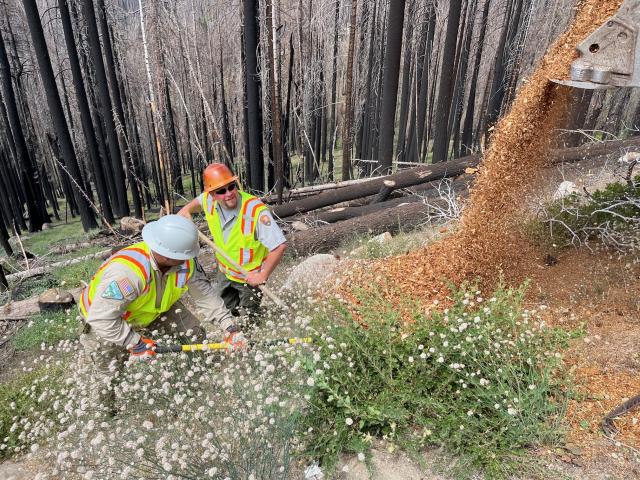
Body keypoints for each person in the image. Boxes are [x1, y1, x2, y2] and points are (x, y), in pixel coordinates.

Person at [78, 215, 245, 411]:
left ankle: (197, 383)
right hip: (105, 321)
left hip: (153, 308)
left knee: (193, 333)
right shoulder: (128, 273)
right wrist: (135, 343)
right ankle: (105, 411)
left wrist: (230, 327)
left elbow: (205, 295)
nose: (188, 260)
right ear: (166, 254)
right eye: (184, 256)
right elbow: (101, 318)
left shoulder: (185, 262)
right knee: (109, 373)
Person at [178, 163, 286, 322]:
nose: (228, 193)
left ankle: (250, 339)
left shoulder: (255, 211)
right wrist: (186, 210)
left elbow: (279, 246)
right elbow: (194, 204)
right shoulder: (208, 200)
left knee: (250, 317)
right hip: (225, 272)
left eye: (231, 187)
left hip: (249, 278)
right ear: (212, 194)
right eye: (221, 191)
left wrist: (262, 275)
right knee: (225, 310)